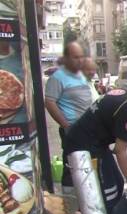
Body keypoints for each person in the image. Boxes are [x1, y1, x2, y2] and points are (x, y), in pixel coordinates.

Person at [62, 76, 127, 214]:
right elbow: (120, 150)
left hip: (93, 140)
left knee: (117, 182)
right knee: (108, 189)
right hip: (85, 146)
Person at [45, 41, 92, 192]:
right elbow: (50, 102)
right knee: (72, 165)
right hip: (72, 128)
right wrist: (66, 125)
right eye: (75, 57)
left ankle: (85, 195)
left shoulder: (80, 75)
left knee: (85, 164)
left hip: (87, 128)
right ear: (66, 58)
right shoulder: (57, 78)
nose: (80, 60)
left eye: (81, 57)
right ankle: (69, 198)